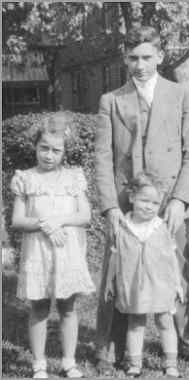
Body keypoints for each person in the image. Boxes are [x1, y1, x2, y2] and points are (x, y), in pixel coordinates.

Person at [94, 25, 189, 374]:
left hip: (167, 201)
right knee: (117, 273)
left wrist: (180, 200)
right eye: (132, 58)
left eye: (146, 57)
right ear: (125, 59)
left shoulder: (181, 95)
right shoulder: (111, 100)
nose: (139, 65)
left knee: (178, 272)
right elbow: (102, 158)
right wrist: (111, 206)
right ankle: (108, 347)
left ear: (160, 56)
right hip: (126, 204)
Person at [10, 112, 95, 378]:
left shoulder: (73, 177)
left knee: (68, 307)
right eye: (43, 148)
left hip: (67, 251)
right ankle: (39, 363)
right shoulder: (26, 178)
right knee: (39, 307)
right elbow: (18, 220)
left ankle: (69, 361)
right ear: (35, 146)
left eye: (56, 150)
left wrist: (58, 220)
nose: (48, 155)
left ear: (64, 152)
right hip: (39, 252)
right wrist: (46, 224)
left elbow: (85, 216)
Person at [105, 172, 184, 377]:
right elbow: (115, 258)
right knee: (136, 322)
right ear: (131, 197)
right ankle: (135, 363)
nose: (149, 206)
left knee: (165, 321)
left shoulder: (162, 227)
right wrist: (109, 282)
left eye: (155, 203)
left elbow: (172, 258)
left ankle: (171, 363)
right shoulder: (122, 227)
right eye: (144, 200)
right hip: (133, 284)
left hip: (161, 283)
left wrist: (177, 284)